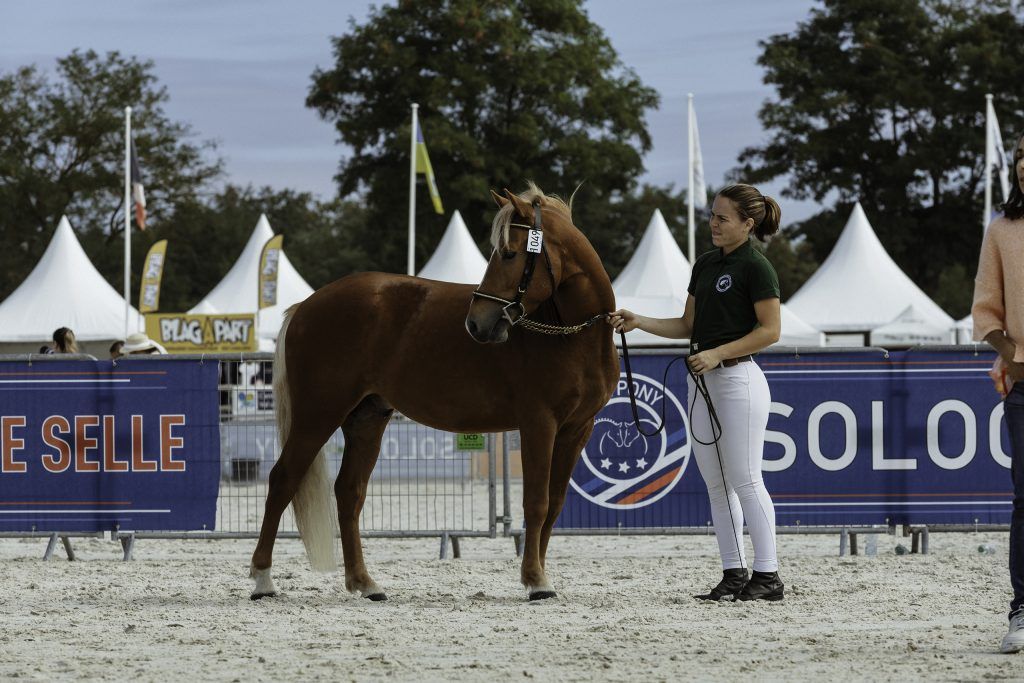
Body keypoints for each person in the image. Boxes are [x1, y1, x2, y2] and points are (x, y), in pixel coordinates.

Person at [608, 183, 784, 602]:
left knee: (745, 479)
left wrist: (718, 353)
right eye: (712, 215)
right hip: (701, 380)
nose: (714, 224)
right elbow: (687, 325)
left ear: (748, 223)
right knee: (716, 483)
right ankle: (734, 572)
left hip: (738, 378)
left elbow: (771, 331)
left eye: (723, 218)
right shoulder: (705, 264)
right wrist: (640, 321)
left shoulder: (757, 267)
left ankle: (769, 575)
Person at [972, 131, 1024, 654]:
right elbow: (985, 309)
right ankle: (1022, 610)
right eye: (1022, 157)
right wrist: (1011, 354)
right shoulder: (1003, 230)